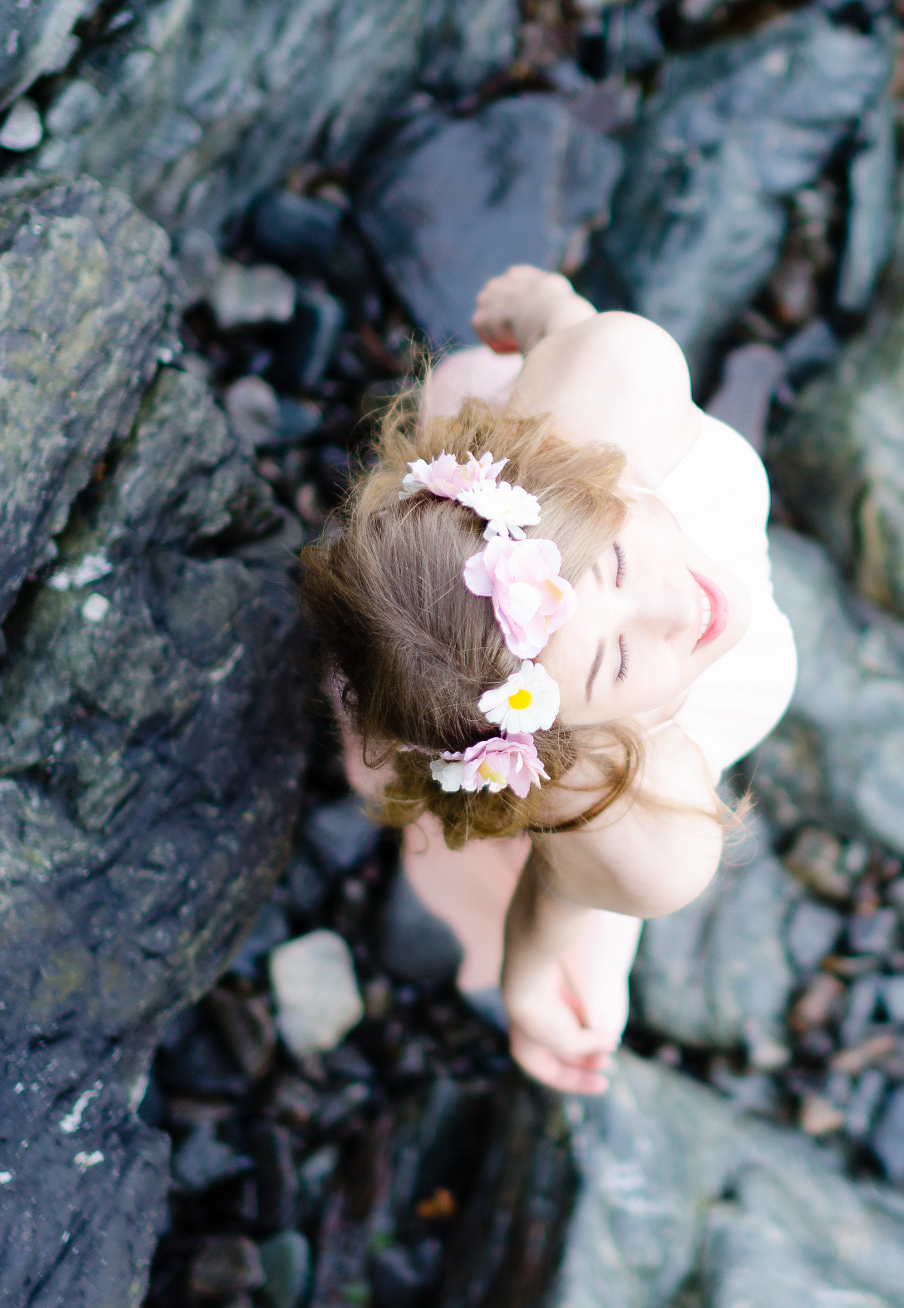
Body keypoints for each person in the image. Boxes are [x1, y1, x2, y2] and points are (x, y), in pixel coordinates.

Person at [298, 265, 797, 1095]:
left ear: (580, 479)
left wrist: (533, 309)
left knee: (519, 384)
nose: (677, 607)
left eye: (622, 564)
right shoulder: (608, 782)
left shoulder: (614, 380)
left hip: (516, 443)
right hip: (598, 777)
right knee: (612, 883)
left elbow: (561, 327)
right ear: (572, 740)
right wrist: (527, 980)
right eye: (622, 660)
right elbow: (554, 893)